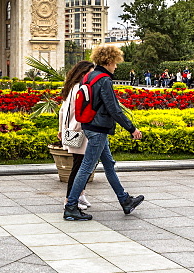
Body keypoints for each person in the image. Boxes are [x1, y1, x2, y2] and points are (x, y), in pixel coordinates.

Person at [64, 44, 144, 221]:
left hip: (90, 126)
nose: (116, 66)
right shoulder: (104, 79)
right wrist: (132, 128)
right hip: (98, 129)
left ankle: (125, 200)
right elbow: (114, 109)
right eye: (115, 62)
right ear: (108, 61)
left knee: (109, 165)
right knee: (86, 168)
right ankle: (70, 206)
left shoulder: (89, 76)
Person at [59, 60, 95, 210]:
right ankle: (70, 199)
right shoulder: (80, 89)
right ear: (83, 73)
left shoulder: (72, 88)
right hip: (78, 130)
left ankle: (80, 194)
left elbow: (63, 111)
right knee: (79, 167)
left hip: (72, 130)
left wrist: (61, 129)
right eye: (91, 72)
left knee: (82, 165)